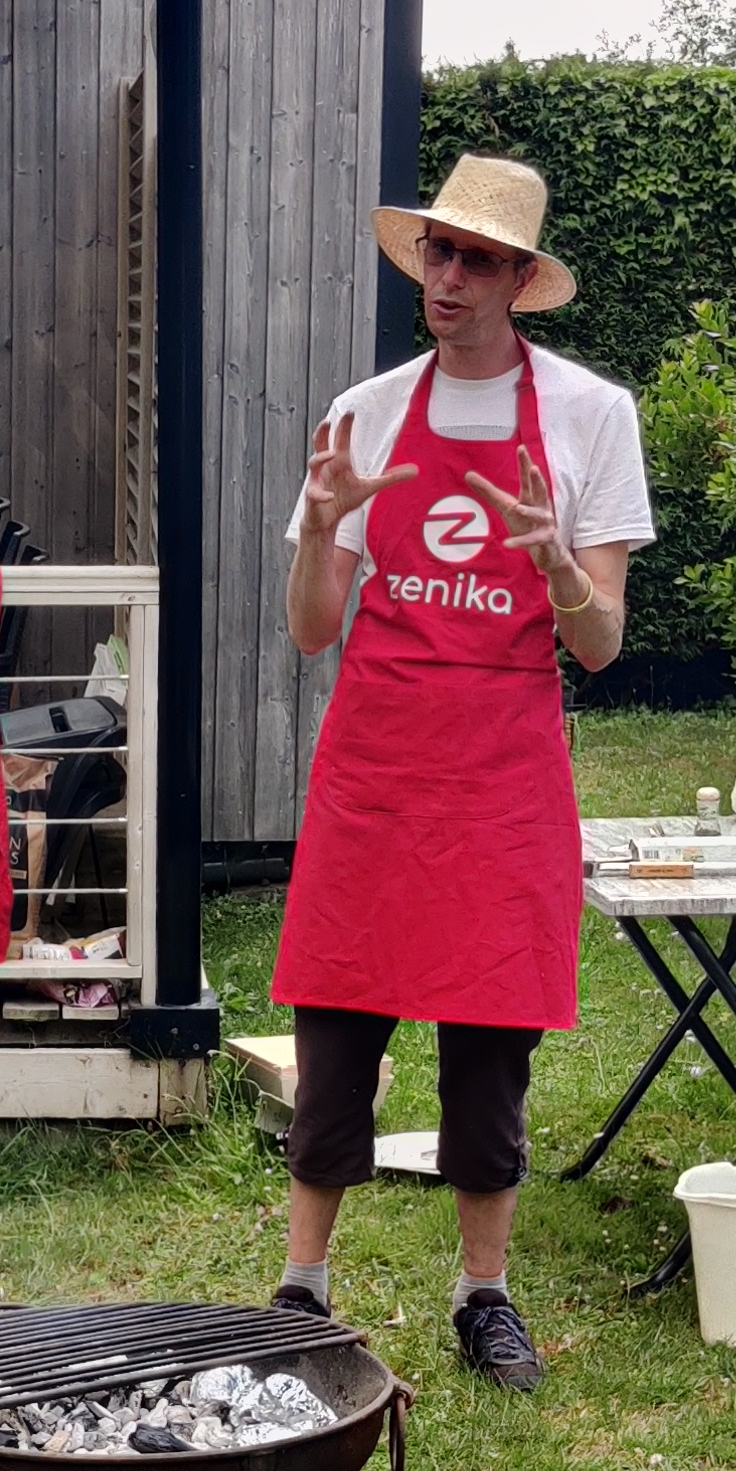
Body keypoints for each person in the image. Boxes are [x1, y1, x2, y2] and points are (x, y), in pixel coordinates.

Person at [266, 154, 649, 1390]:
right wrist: (323, 529)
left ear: (520, 279)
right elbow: (313, 629)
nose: (448, 274)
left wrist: (555, 567)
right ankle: (301, 1293)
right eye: (437, 249)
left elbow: (599, 645)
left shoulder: (593, 415)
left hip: (502, 768)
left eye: (477, 257)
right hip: (378, 758)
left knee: (491, 1042)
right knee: (336, 1025)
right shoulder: (365, 411)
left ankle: (483, 1298)